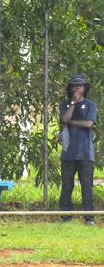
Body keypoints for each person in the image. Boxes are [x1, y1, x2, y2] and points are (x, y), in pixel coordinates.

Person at [59, 74, 98, 225]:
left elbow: (89, 124)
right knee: (67, 186)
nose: (77, 88)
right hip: (68, 153)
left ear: (85, 88)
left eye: (80, 86)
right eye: (74, 86)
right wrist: (73, 103)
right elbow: (64, 119)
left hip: (86, 153)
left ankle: (89, 218)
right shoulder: (64, 105)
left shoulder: (90, 105)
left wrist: (70, 123)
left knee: (87, 187)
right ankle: (66, 218)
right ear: (70, 89)